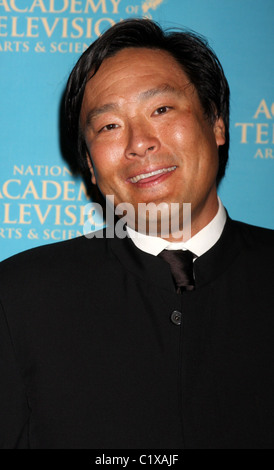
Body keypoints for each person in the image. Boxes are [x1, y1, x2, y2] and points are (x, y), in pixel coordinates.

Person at [0, 18, 273, 450]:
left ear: (217, 123)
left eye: (161, 110)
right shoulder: (17, 298)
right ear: (89, 164)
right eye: (108, 126)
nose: (139, 143)